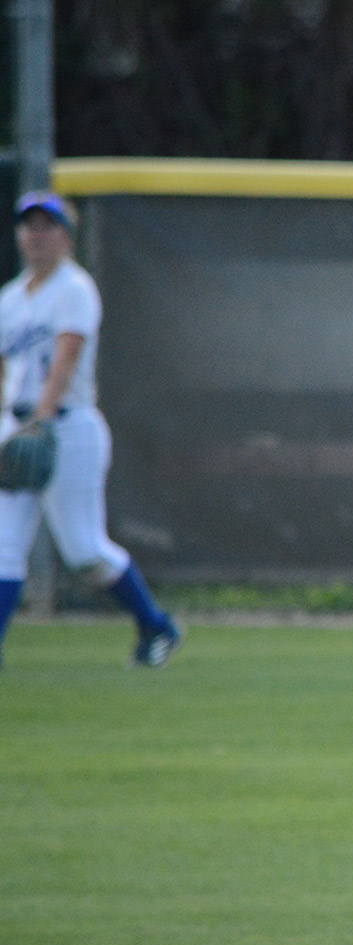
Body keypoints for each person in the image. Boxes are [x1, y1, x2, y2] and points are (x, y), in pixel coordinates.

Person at [0, 191, 181, 669]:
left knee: (83, 551)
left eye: (47, 226)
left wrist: (39, 416)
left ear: (66, 235)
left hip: (66, 427)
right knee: (3, 547)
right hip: (15, 424)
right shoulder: (11, 299)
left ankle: (155, 625)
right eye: (28, 226)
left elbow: (67, 355)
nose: (36, 235)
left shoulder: (74, 288)